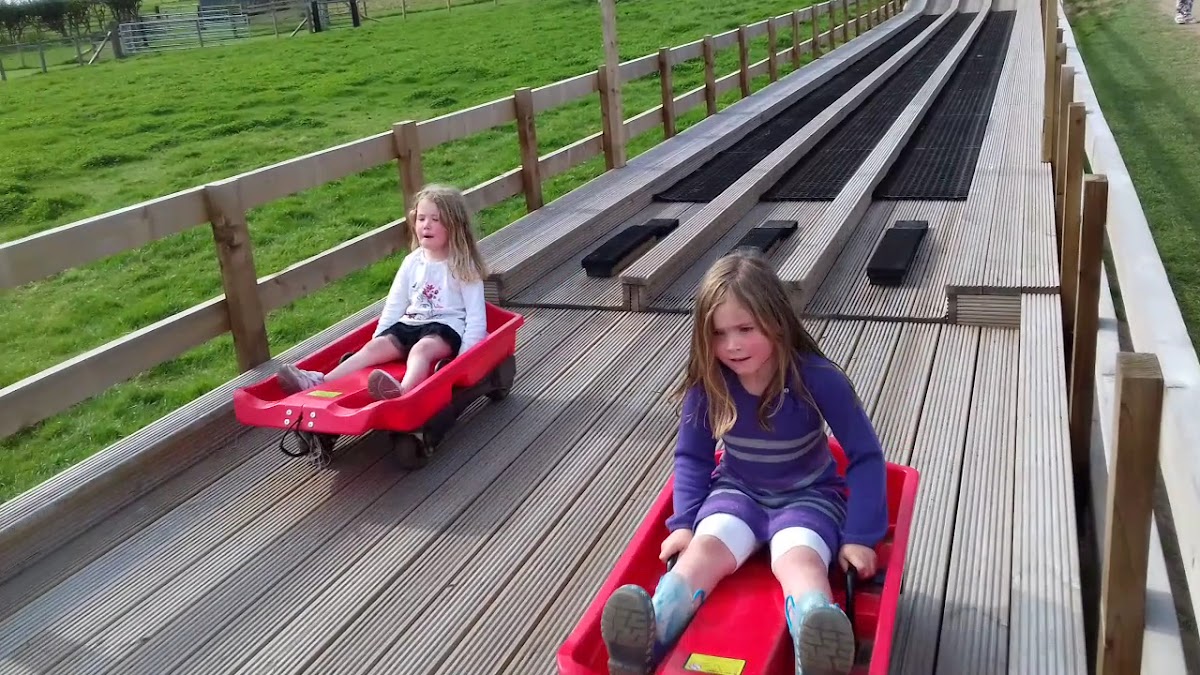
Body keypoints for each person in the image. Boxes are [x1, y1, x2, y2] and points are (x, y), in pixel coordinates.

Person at [599, 251, 889, 675]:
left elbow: (864, 456)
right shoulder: (709, 383)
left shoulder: (815, 377)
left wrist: (860, 535)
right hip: (737, 492)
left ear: (777, 321)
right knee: (702, 552)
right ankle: (648, 634)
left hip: (807, 496)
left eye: (745, 329)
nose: (732, 345)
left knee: (800, 562)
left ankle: (817, 645)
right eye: (718, 334)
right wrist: (684, 524)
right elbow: (693, 456)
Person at [275, 183, 489, 400]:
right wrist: (381, 338)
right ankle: (319, 381)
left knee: (421, 350)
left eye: (436, 219)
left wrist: (464, 358)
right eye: (421, 218)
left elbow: (476, 317)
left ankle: (403, 392)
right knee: (373, 348)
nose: (426, 225)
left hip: (444, 329)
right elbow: (395, 304)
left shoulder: (463, 265)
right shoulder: (412, 261)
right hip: (410, 324)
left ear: (454, 226)